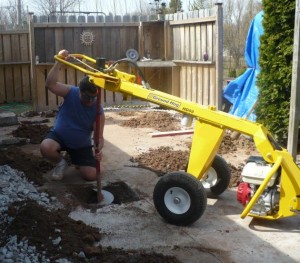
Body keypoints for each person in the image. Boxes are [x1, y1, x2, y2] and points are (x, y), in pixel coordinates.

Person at [40, 49, 105, 181]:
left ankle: (76, 160)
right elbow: (50, 84)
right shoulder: (71, 92)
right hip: (60, 137)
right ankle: (61, 163)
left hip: (80, 146)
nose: (91, 101)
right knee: (46, 147)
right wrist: (59, 62)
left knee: (91, 175)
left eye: (94, 98)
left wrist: (98, 150)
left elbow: (99, 138)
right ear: (79, 91)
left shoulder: (98, 111)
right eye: (87, 97)